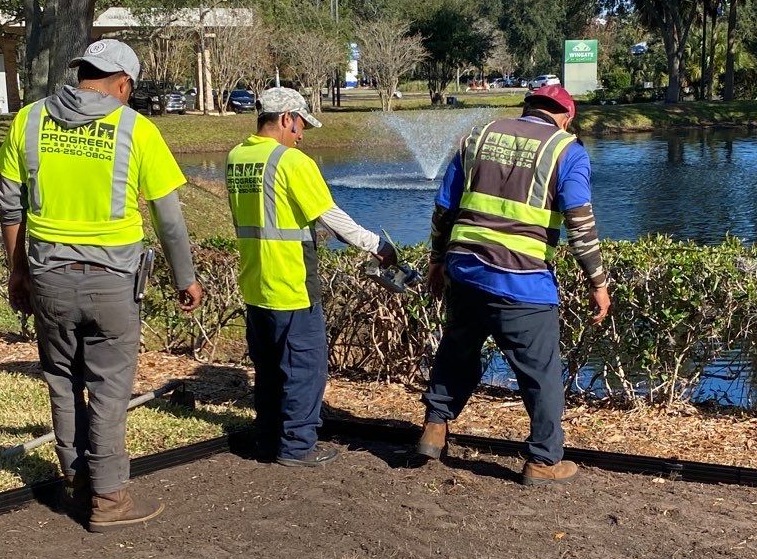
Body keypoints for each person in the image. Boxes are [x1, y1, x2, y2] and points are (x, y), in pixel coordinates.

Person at [0, 37, 203, 529]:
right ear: (124, 84)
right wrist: (185, 278)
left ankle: (78, 481)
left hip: (48, 279)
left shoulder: (28, 120)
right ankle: (109, 501)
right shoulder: (136, 129)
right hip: (113, 283)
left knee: (63, 381)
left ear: (81, 70)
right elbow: (169, 219)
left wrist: (18, 270)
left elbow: (8, 204)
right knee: (108, 390)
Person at [412, 83, 610, 485]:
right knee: (541, 374)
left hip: (465, 270)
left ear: (526, 108)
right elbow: (580, 221)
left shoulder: (478, 136)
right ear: (567, 117)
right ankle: (542, 461)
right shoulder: (566, 150)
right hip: (522, 283)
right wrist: (597, 281)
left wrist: (437, 261)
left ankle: (434, 428)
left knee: (457, 351)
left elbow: (444, 208)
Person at [225, 86, 394, 465]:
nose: (302, 135)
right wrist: (378, 247)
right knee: (305, 367)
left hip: (255, 282)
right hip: (292, 283)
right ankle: (298, 446)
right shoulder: (292, 162)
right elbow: (331, 215)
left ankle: (268, 440)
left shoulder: (237, 157)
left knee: (268, 369)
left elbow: (266, 216)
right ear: (286, 118)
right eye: (300, 125)